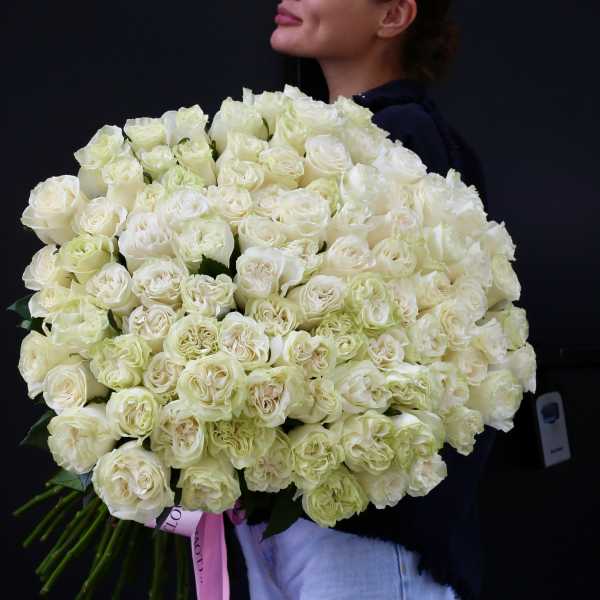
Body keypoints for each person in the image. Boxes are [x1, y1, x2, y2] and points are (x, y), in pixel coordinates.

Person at [232, 2, 498, 599]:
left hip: (369, 534)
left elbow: (422, 345)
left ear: (394, 15)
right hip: (302, 513)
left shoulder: (405, 138)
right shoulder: (310, 130)